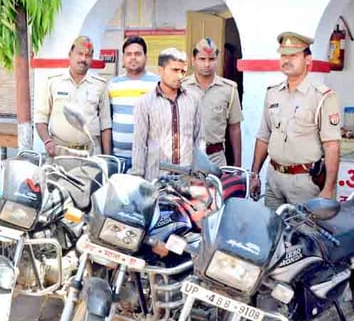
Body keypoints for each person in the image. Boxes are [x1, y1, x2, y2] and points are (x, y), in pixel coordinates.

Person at [250, 32, 341, 209]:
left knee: (304, 227)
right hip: (274, 178)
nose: (287, 60)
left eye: (293, 55)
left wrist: (329, 188)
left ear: (308, 59)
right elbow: (264, 136)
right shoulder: (272, 93)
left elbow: (331, 146)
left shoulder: (322, 96)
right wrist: (255, 174)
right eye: (283, 55)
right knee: (271, 225)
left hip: (304, 183)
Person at [132, 48, 204, 181]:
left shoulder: (194, 100)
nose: (180, 76)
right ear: (160, 70)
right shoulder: (145, 102)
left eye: (183, 71)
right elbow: (139, 144)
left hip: (186, 179)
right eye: (175, 70)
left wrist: (199, 176)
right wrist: (137, 178)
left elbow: (199, 139)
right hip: (155, 179)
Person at [34, 35, 112, 155]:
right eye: (79, 54)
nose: (83, 59)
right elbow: (41, 118)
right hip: (59, 152)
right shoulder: (53, 82)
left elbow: (105, 124)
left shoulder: (100, 85)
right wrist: (47, 141)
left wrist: (107, 158)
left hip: (90, 153)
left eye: (88, 55)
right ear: (70, 54)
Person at [182, 38, 243, 167]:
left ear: (217, 60)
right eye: (202, 59)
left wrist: (237, 164)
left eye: (211, 59)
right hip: (186, 157)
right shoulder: (181, 88)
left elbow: (235, 128)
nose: (207, 64)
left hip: (216, 158)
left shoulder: (229, 89)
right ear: (193, 60)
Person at [108, 36, 160, 171]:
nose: (133, 58)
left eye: (137, 54)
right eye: (129, 54)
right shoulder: (113, 84)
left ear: (146, 57)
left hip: (147, 158)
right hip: (118, 159)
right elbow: (107, 119)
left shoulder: (157, 84)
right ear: (123, 58)